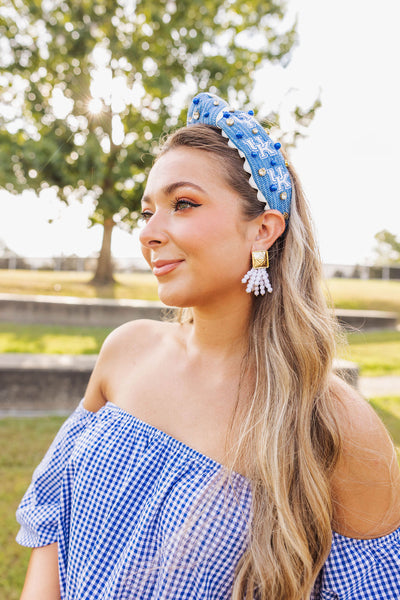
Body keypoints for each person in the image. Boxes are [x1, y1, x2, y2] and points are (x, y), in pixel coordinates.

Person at [16, 92, 400, 600]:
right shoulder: (125, 351)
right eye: (147, 210)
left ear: (263, 230)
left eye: (184, 204)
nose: (149, 233)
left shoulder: (334, 424)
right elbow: (53, 521)